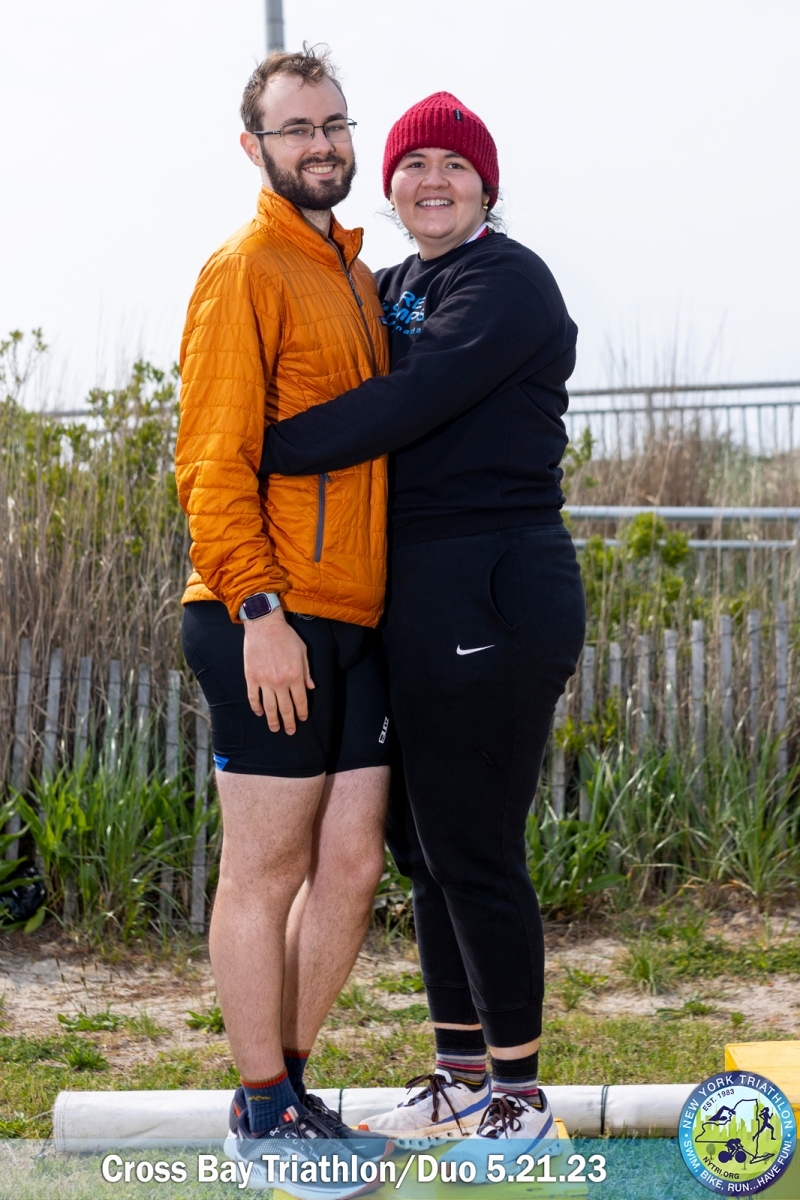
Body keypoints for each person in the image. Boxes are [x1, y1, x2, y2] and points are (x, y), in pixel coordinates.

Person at [259, 91, 586, 1153]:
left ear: (485, 185)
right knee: (419, 845)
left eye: (453, 164)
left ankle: (518, 1099)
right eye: (410, 166)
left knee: (474, 843)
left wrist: (263, 446)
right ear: (388, 185)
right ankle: (454, 1075)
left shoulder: (505, 281)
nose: (429, 180)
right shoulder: (390, 284)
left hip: (491, 582)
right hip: (407, 592)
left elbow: (409, 402)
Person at [175, 47, 393, 1188]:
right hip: (269, 615)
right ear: (254, 147)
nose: (322, 144)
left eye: (335, 125)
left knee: (349, 862)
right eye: (297, 128)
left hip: (357, 615)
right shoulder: (248, 265)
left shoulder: (353, 276)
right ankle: (261, 1116)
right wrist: (258, 608)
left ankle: (288, 1093)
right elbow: (209, 462)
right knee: (263, 870)